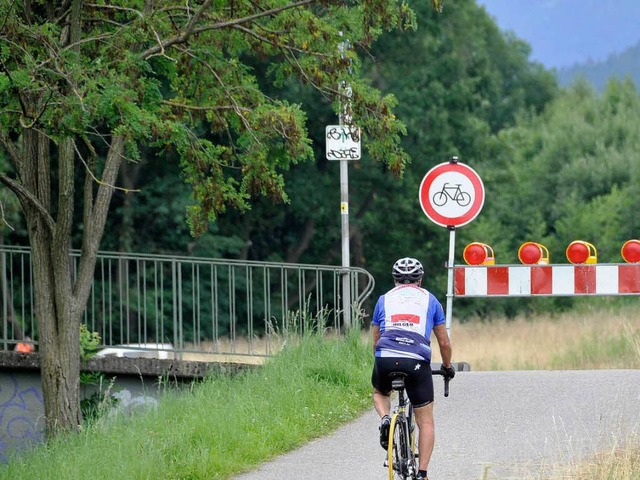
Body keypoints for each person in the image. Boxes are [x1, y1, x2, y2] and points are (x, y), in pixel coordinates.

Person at [371, 257, 455, 480]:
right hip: (416, 359)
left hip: (385, 355)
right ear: (421, 279)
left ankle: (385, 419)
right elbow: (444, 343)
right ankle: (422, 474)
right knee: (425, 420)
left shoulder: (383, 299)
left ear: (394, 280)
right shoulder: (431, 300)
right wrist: (447, 367)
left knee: (380, 393)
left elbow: (375, 340)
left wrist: (380, 363)